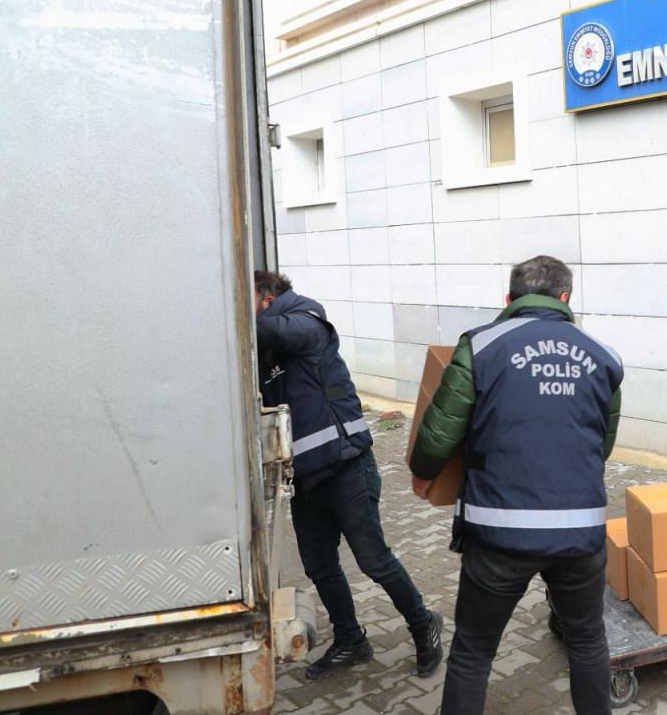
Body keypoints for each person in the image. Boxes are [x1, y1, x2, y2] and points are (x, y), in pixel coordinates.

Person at [409, 255, 623, 715]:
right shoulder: (604, 356)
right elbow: (601, 445)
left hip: (499, 533)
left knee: (473, 651)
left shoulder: (481, 345)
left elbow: (437, 438)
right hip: (580, 532)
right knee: (588, 641)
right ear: (565, 297)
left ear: (509, 298)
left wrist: (423, 472)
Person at [253, 270, 443, 681]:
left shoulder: (306, 320)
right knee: (320, 567)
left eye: (246, 300)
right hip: (305, 478)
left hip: (346, 467)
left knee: (374, 560)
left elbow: (279, 332)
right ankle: (351, 640)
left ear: (267, 298)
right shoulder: (266, 348)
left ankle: (423, 622)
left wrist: (231, 317)